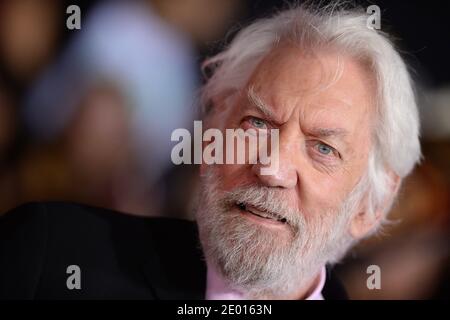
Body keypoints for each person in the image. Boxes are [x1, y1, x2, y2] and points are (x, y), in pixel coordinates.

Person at [0, 3, 421, 300]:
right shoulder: (50, 256)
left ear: (371, 204)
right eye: (257, 124)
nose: (272, 167)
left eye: (323, 148)